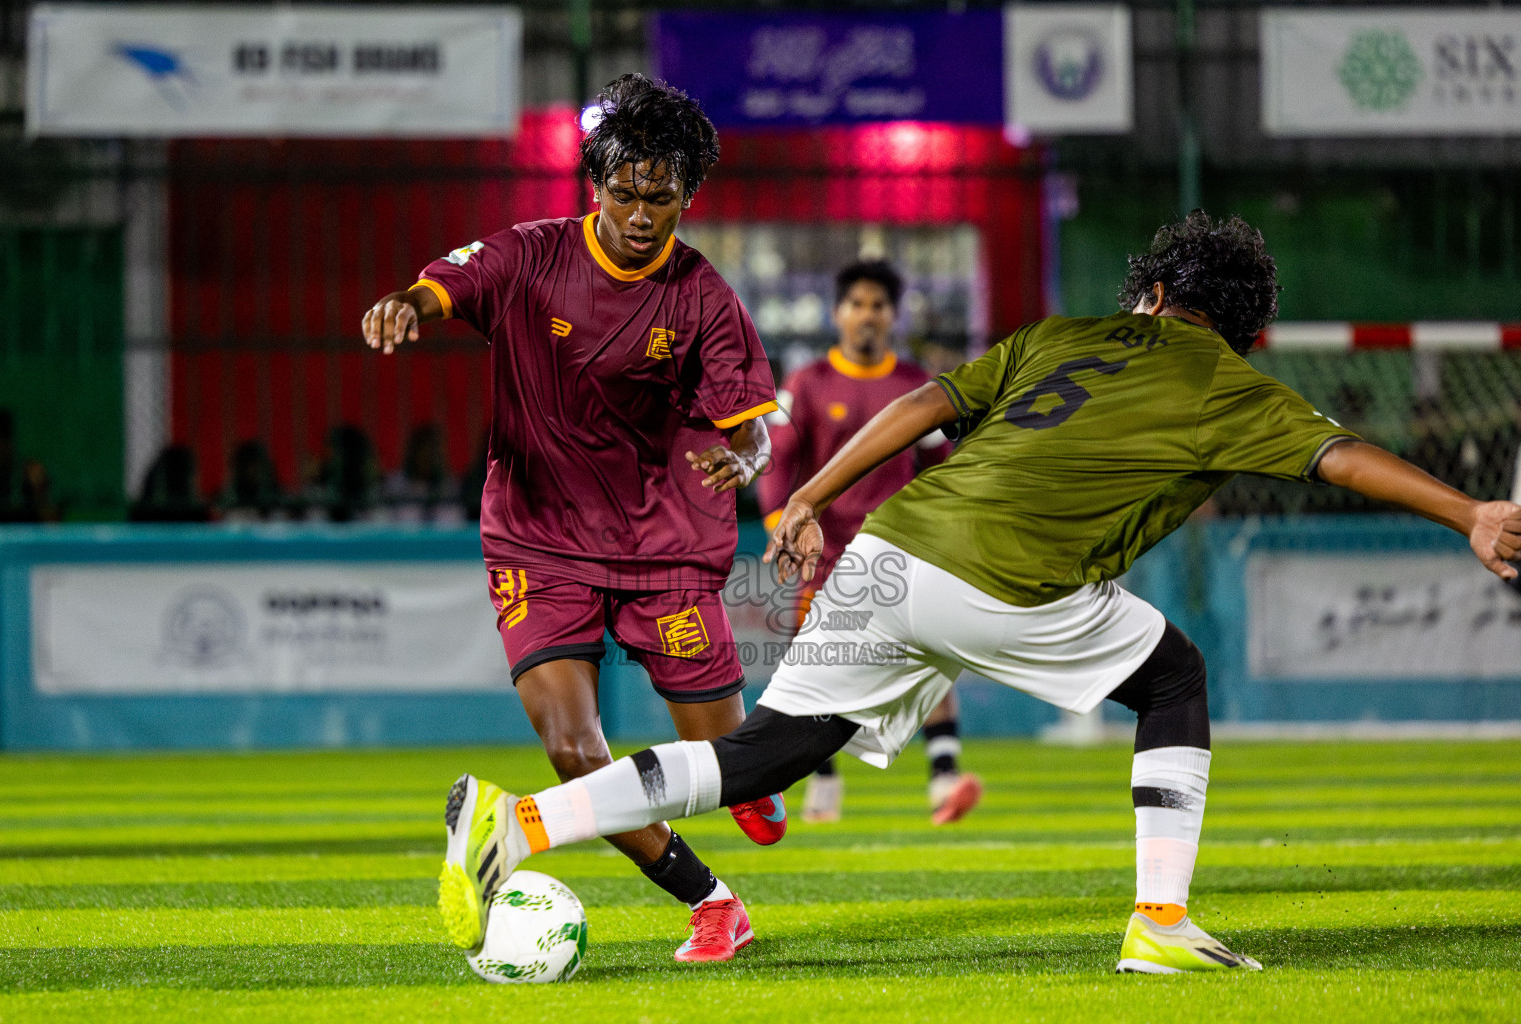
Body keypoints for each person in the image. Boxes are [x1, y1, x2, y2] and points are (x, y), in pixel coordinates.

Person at [436, 212, 1521, 974]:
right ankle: (1158, 920)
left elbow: (920, 405)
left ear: (1149, 292)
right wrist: (1470, 512)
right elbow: (1344, 459)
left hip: (890, 550)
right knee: (1176, 675)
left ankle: (522, 822)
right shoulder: (1230, 383)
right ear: (1241, 328)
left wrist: (810, 492)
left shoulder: (1061, 335)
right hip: (1007, 579)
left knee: (765, 755)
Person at [361, 74, 786, 964]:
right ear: (596, 184)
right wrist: (409, 303)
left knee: (731, 764)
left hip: (663, 544)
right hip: (536, 535)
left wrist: (739, 461)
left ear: (685, 195)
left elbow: (751, 435)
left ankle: (749, 773)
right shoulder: (531, 256)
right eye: (624, 192)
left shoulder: (702, 297)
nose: (640, 212)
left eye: (660, 197)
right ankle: (712, 902)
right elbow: (445, 285)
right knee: (569, 745)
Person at [759, 259, 979, 825]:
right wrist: (778, 526)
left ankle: (944, 780)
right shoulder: (807, 383)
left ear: (892, 316)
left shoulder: (914, 388)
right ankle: (824, 782)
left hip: (899, 551)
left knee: (930, 654)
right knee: (814, 668)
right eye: (856, 304)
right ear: (837, 314)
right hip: (824, 554)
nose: (867, 315)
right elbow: (778, 462)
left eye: (878, 306)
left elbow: (937, 465)